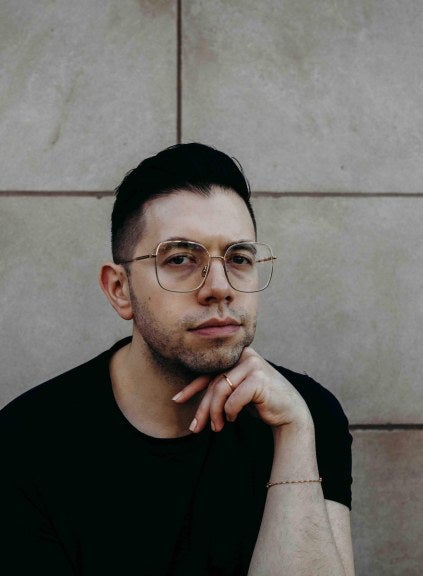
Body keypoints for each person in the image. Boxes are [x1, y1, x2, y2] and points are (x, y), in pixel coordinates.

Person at [0, 143, 355, 575]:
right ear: (120, 289)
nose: (219, 287)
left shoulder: (307, 412)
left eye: (239, 258)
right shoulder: (26, 443)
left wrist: (295, 435)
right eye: (181, 259)